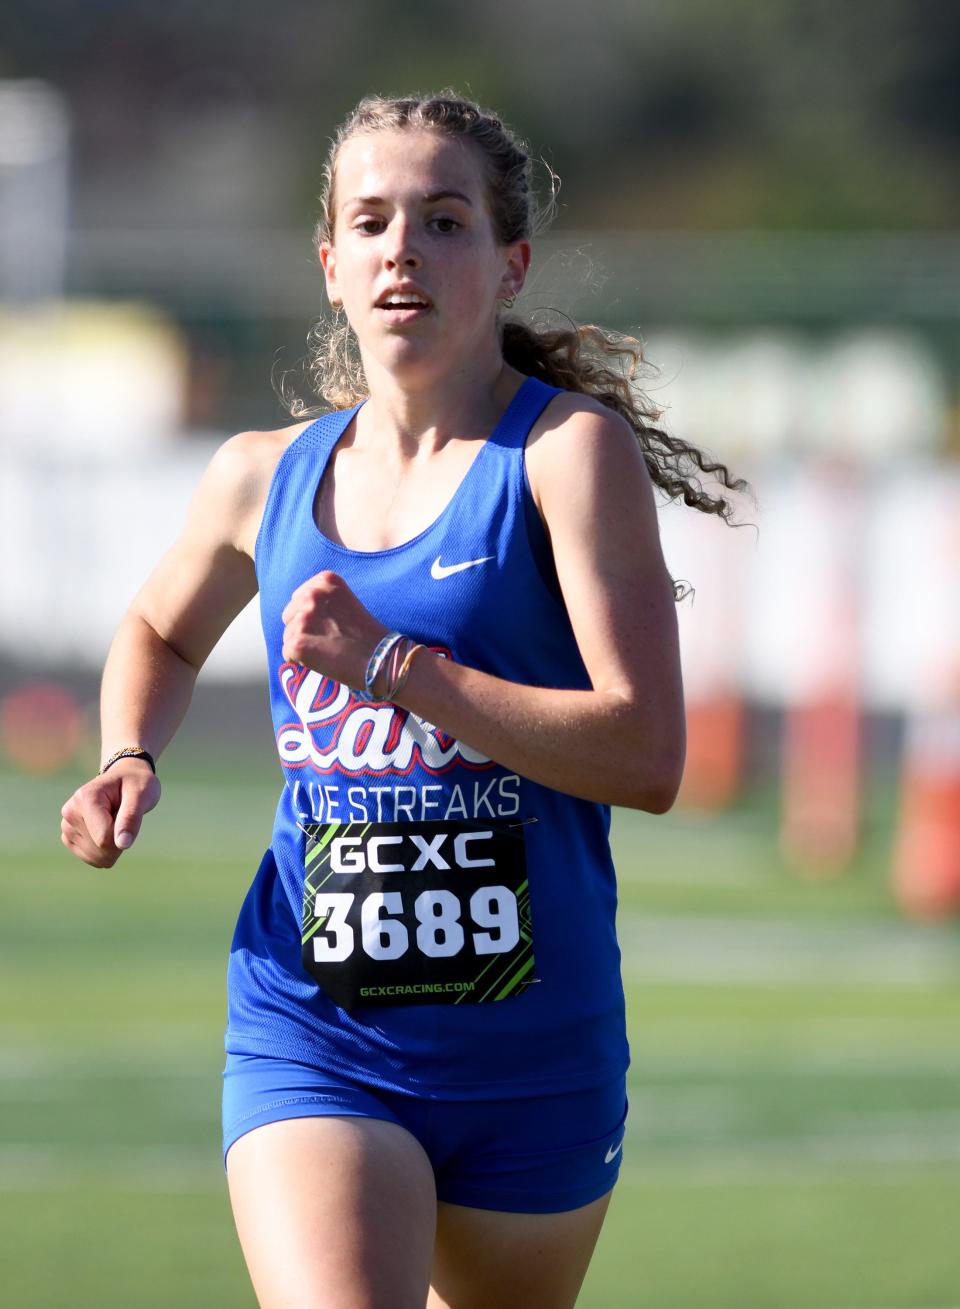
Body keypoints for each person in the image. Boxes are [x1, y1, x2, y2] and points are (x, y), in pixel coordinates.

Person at [60, 92, 747, 1309]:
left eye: (443, 220)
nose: (403, 250)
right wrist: (129, 751)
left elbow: (648, 755)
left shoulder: (564, 458)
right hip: (313, 1027)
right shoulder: (259, 476)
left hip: (532, 1051)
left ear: (507, 262)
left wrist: (395, 667)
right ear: (330, 266)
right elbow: (159, 631)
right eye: (370, 223)